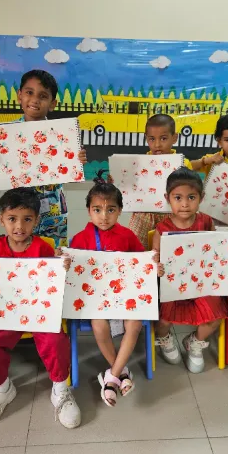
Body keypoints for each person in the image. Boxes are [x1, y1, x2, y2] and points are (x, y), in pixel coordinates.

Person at [0, 188, 81, 428]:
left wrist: (61, 267)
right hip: (6, 313)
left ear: (36, 220)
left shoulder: (43, 247)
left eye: (27, 219)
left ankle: (60, 389)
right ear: (1, 219)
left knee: (55, 341)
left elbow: (53, 284)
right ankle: (2, 389)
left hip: (38, 311)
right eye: (12, 219)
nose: (19, 226)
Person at [0, 69, 87, 247]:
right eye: (29, 92)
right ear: (19, 95)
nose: (34, 100)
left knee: (54, 252)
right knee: (23, 251)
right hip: (20, 212)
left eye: (43, 96)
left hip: (53, 211)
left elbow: (70, 174)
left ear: (52, 103)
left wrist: (77, 161)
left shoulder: (62, 134)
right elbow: (1, 168)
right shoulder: (5, 135)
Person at [69, 171, 147, 407]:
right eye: (97, 210)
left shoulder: (127, 235)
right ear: (89, 211)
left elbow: (141, 261)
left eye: (111, 210)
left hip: (125, 295)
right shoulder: (80, 239)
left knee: (134, 323)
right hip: (95, 299)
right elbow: (74, 273)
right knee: (98, 324)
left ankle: (111, 377)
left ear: (120, 210)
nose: (104, 216)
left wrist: (153, 262)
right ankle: (121, 372)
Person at [153, 167, 228, 373]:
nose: (185, 204)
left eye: (191, 197)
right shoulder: (162, 229)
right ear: (168, 198)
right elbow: (155, 258)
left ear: (201, 198)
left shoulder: (206, 222)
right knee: (162, 321)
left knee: (215, 317)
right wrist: (156, 266)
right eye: (178, 198)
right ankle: (164, 338)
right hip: (172, 286)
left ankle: (194, 341)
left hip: (202, 283)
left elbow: (216, 249)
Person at [128, 114, 193, 249]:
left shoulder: (183, 163)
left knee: (170, 249)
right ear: (146, 138)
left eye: (163, 138)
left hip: (172, 213)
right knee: (134, 246)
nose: (157, 144)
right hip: (144, 213)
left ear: (174, 138)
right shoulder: (140, 162)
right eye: (152, 139)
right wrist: (117, 182)